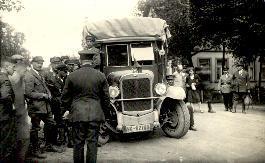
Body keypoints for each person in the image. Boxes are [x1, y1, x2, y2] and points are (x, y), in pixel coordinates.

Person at [61, 47, 110, 163]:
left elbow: (64, 98)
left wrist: (67, 110)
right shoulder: (100, 75)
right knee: (92, 143)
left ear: (80, 60)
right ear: (92, 60)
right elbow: (106, 98)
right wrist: (104, 113)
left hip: (77, 114)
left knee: (78, 143)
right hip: (95, 114)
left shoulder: (72, 76)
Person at [24, 56, 60, 159]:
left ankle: (49, 145)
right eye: (38, 63)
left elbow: (44, 87)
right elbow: (28, 93)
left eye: (41, 63)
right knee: (35, 128)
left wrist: (48, 93)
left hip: (45, 106)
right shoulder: (29, 75)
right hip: (36, 107)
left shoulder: (40, 74)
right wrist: (43, 95)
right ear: (32, 63)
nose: (40, 64)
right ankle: (35, 150)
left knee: (51, 124)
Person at [9, 56, 31, 163]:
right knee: (15, 139)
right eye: (25, 70)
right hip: (13, 113)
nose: (26, 72)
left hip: (21, 112)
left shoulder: (21, 80)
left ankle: (20, 159)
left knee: (24, 138)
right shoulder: (10, 80)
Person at [173, 61, 197, 131]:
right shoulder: (174, 74)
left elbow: (189, 81)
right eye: (179, 68)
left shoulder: (185, 75)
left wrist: (192, 84)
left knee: (189, 108)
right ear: (176, 68)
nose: (180, 69)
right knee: (179, 109)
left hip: (184, 93)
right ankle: (179, 125)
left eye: (181, 67)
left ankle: (191, 125)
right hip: (176, 94)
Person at [0, 60, 16, 162]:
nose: (14, 69)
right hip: (4, 113)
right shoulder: (5, 79)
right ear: (6, 67)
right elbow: (6, 96)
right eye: (12, 67)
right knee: (5, 139)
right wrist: (12, 106)